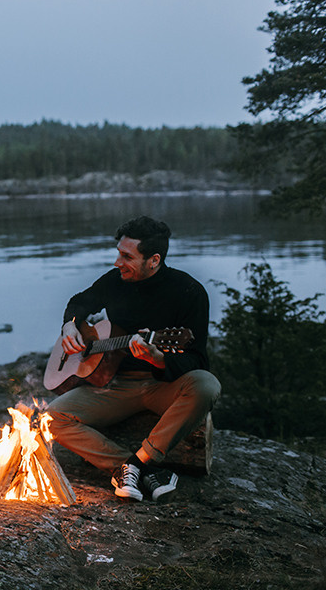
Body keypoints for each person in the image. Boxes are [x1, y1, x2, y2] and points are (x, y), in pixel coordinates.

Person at [46, 215, 220, 502]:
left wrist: (159, 359)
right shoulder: (115, 281)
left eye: (127, 257)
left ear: (154, 260)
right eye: (119, 253)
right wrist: (69, 325)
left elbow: (197, 361)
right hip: (114, 385)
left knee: (207, 385)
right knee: (52, 418)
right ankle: (131, 467)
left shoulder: (189, 292)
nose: (117, 262)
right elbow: (79, 302)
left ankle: (138, 463)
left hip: (163, 385)